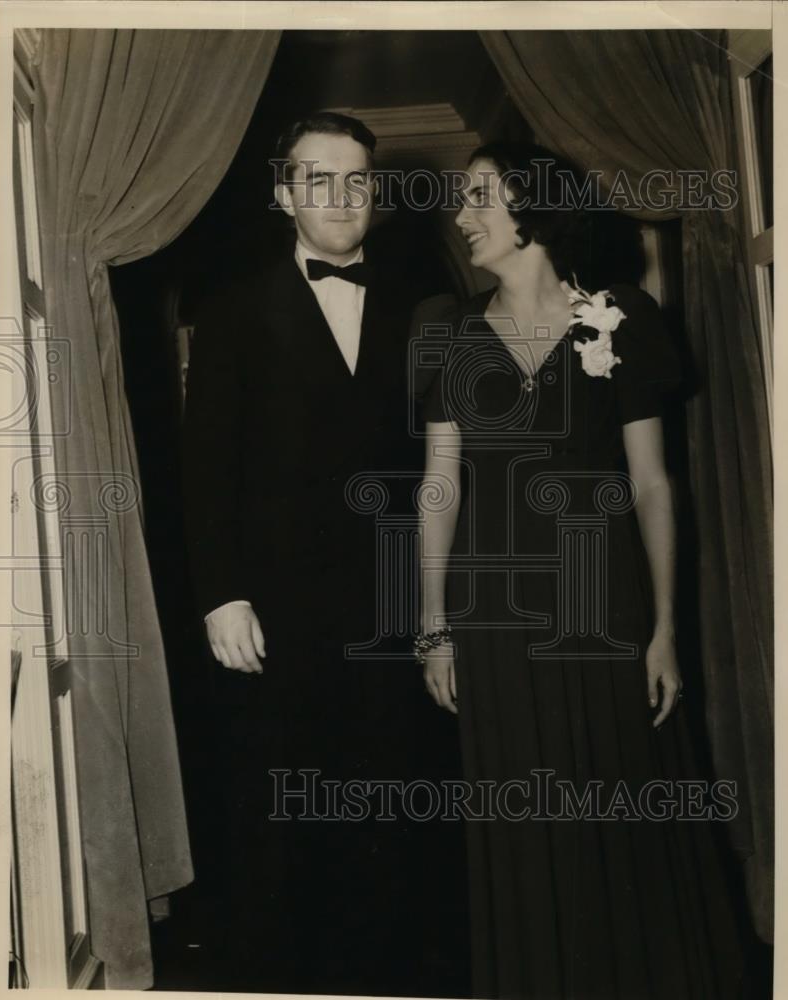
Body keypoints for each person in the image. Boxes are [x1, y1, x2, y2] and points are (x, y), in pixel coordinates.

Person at [416, 142, 745, 998]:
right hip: (493, 621)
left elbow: (650, 484)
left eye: (480, 196)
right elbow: (439, 483)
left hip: (607, 609)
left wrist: (664, 629)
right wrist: (431, 629)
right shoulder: (448, 330)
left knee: (622, 805)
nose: (462, 214)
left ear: (532, 206)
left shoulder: (619, 316)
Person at [182, 112, 466, 995]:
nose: (342, 198)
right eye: (319, 179)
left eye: (358, 180)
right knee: (279, 814)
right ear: (283, 195)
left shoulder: (425, 310)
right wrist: (220, 595)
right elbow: (203, 471)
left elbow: (444, 467)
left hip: (388, 607)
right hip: (274, 614)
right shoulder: (230, 312)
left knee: (385, 812)